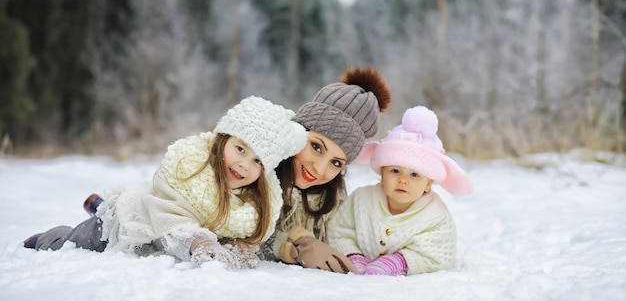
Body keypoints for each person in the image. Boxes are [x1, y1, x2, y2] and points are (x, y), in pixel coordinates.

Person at [23, 96, 308, 270]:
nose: (244, 164)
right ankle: (57, 233)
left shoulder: (253, 202)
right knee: (77, 241)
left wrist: (241, 252)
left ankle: (93, 204)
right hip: (126, 224)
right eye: (241, 149)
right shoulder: (190, 169)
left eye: (258, 161)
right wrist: (198, 244)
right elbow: (168, 218)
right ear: (223, 138)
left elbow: (243, 238)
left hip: (149, 227)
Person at [257, 66, 393, 273]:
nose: (319, 169)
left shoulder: (333, 197)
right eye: (316, 147)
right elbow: (232, 233)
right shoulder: (257, 168)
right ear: (298, 133)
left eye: (336, 162)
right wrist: (290, 245)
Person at [326, 105, 473, 275]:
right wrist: (352, 254)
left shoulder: (435, 216)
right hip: (356, 259)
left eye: (414, 175)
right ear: (382, 174)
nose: (403, 180)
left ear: (428, 184)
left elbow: (440, 252)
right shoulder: (361, 200)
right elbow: (339, 230)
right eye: (395, 171)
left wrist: (399, 261)